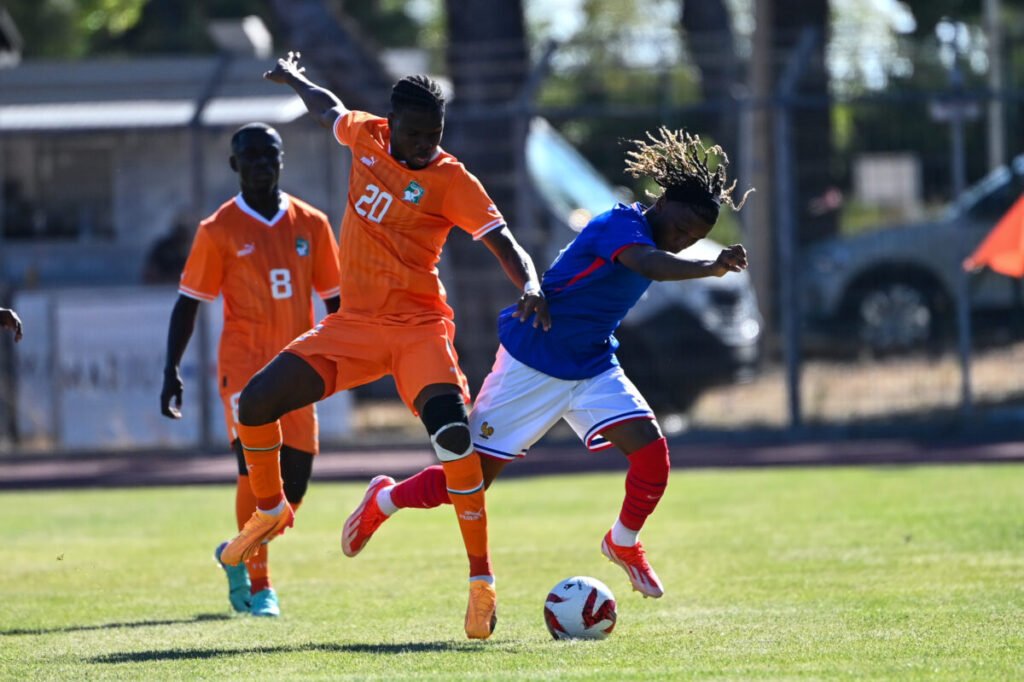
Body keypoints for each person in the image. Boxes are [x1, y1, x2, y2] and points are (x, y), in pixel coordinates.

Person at [218, 52, 549, 640]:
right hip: (355, 326)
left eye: (434, 136)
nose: (424, 145)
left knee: (453, 440)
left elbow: (502, 241)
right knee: (255, 403)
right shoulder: (365, 135)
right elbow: (329, 110)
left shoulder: (451, 179)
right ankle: (269, 510)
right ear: (391, 123)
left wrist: (530, 282)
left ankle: (481, 582)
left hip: (419, 327)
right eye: (415, 133)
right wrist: (296, 79)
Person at [342, 127, 751, 600]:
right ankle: (385, 498)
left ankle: (622, 542)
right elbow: (649, 265)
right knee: (469, 479)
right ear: (659, 204)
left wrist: (703, 259)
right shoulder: (620, 226)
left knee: (652, 457)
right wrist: (710, 264)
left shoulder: (659, 241)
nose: (681, 241)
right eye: (680, 229)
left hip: (592, 364)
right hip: (532, 360)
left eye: (693, 238)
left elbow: (661, 260)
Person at [160, 122, 341, 618]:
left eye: (270, 154)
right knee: (255, 476)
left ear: (282, 160)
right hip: (242, 371)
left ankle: (235, 552)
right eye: (251, 156)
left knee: (293, 490)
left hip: (298, 371)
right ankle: (261, 586)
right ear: (234, 165)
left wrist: (353, 357)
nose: (261, 163)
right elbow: (189, 303)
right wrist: (170, 368)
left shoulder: (312, 223)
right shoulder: (217, 230)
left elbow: (337, 302)